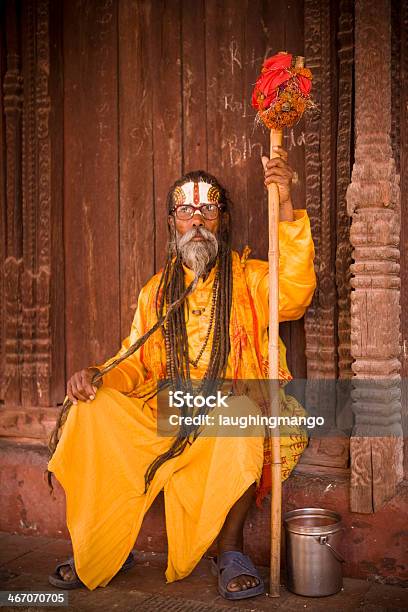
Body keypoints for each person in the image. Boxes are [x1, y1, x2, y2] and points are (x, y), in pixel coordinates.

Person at [48, 148, 316, 600]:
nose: (196, 220)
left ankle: (228, 552)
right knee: (89, 414)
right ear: (172, 222)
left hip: (229, 407)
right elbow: (133, 361)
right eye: (186, 211)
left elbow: (293, 293)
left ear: (222, 221)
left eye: (207, 209)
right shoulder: (155, 290)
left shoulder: (248, 278)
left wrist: (286, 203)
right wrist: (97, 376)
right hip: (166, 408)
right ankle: (100, 548)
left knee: (243, 417)